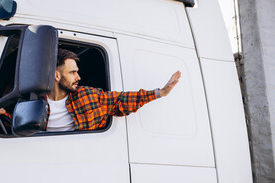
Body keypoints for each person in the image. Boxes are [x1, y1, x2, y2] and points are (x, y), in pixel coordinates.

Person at [45, 49, 180, 132]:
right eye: (72, 72)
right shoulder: (33, 100)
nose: (78, 77)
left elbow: (122, 100)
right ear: (57, 75)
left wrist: (160, 93)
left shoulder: (86, 96)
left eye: (77, 72)